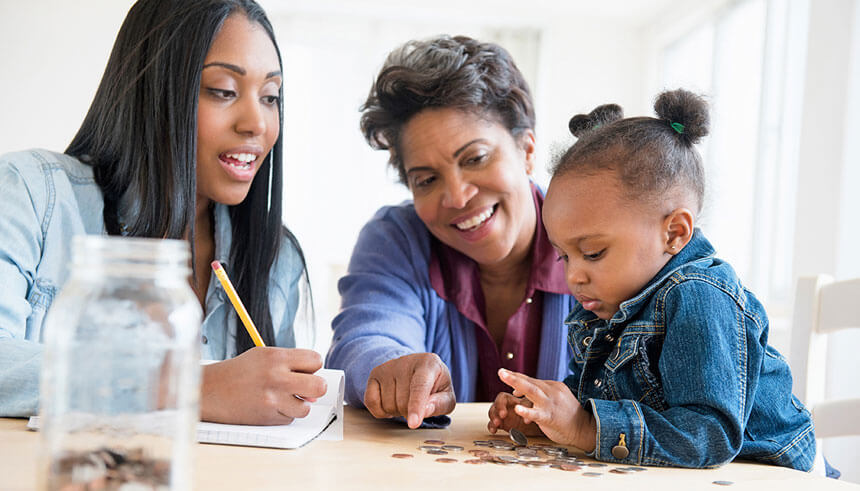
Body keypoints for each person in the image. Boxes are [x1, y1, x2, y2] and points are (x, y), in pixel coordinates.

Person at [0, 0, 327, 425]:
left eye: (270, 97)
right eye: (224, 91)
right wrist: (189, 386)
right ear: (153, 92)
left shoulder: (275, 257)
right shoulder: (31, 192)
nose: (257, 124)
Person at [487, 89, 819, 471]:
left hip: (770, 472)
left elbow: (709, 435)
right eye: (563, 255)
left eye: (593, 252)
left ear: (674, 233)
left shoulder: (699, 296)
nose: (573, 275)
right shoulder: (608, 299)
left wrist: (585, 426)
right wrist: (544, 416)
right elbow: (593, 398)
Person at [326, 35, 574, 429]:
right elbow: (362, 341)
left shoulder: (598, 237)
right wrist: (391, 369)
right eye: (426, 180)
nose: (457, 197)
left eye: (475, 158)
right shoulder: (396, 239)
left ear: (527, 150)